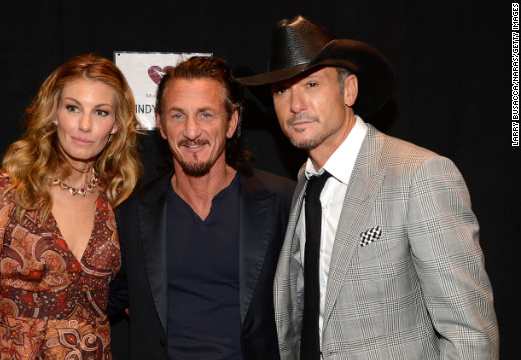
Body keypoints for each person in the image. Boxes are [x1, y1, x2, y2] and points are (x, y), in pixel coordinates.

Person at [236, 15, 499, 360]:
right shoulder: (306, 182)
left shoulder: (418, 174)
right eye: (282, 90)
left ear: (349, 90)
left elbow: (470, 335)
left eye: (311, 85)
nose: (295, 105)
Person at [0, 53, 142, 359]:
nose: (85, 125)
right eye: (73, 108)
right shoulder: (5, 190)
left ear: (116, 124)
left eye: (101, 112)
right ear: (54, 113)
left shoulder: (119, 200)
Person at [108, 56, 296, 360]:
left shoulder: (283, 202)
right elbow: (101, 299)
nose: (191, 131)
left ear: (232, 122)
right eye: (178, 116)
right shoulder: (130, 212)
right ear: (161, 124)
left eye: (206, 115)